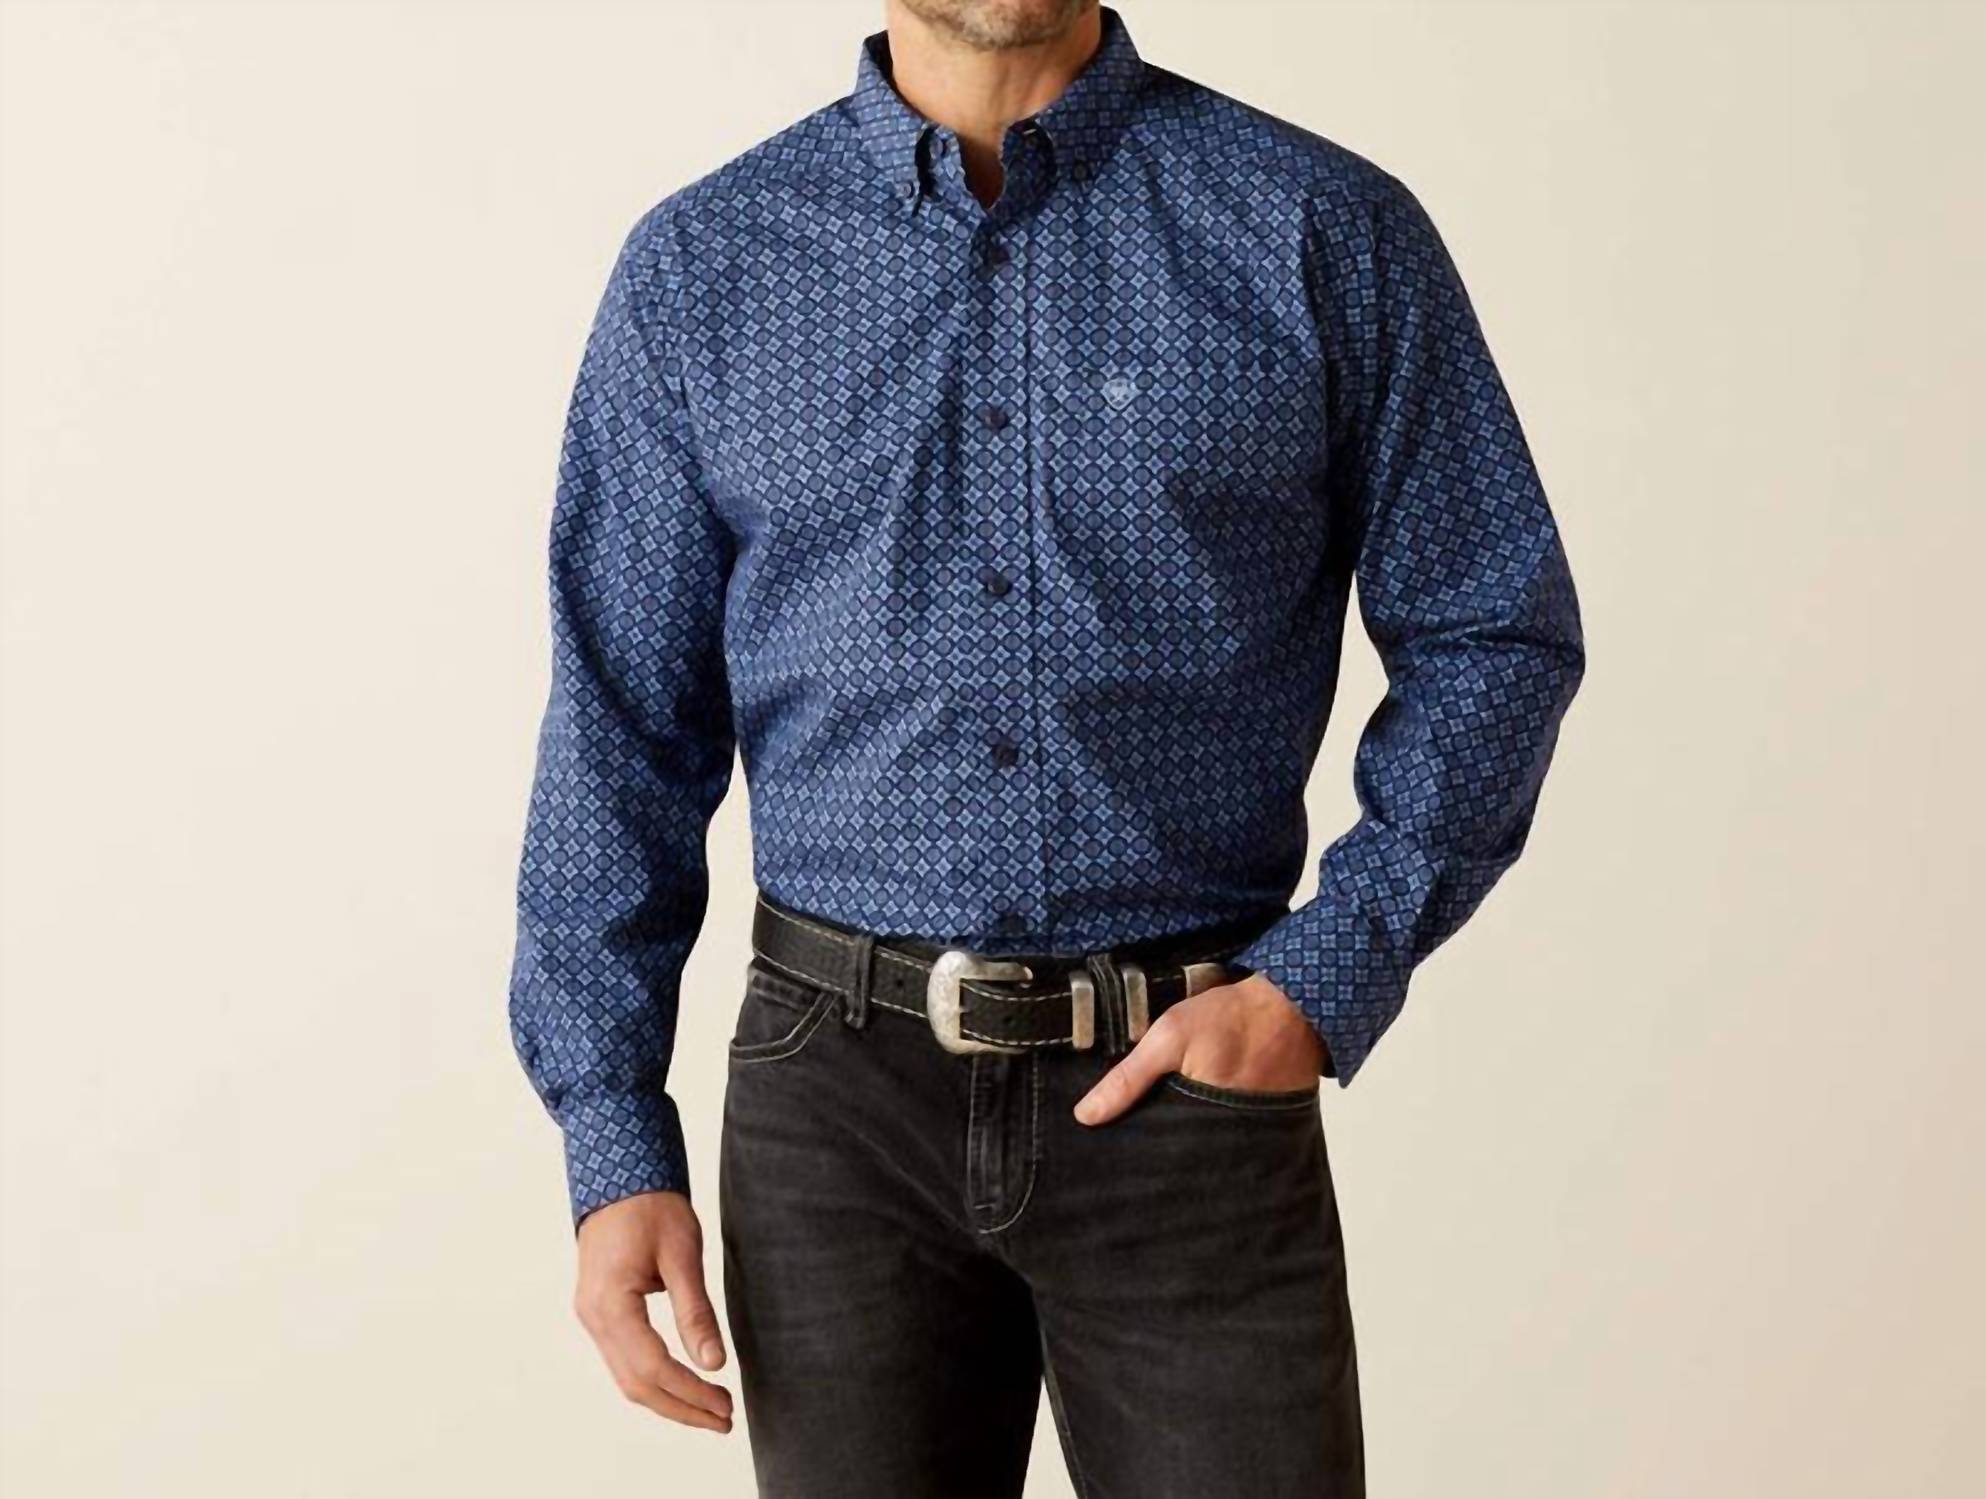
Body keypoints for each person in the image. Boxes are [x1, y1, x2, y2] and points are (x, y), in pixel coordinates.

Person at [507, 2, 1585, 1493]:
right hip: (834, 1119)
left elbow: (1491, 630)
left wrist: (1320, 980)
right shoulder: (706, 266)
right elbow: (621, 726)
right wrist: (612, 1135)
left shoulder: (1319, 228)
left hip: (1191, 1088)